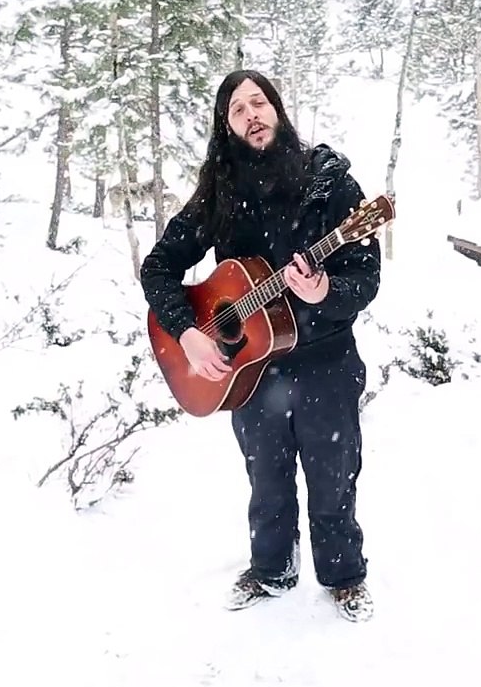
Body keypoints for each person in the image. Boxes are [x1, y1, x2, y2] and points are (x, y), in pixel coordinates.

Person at [139, 70, 381, 623]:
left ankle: (344, 577)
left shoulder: (329, 183)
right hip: (252, 369)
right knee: (266, 480)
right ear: (226, 127)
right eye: (238, 109)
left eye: (259, 102)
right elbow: (158, 267)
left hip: (325, 361)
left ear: (277, 109)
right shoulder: (221, 192)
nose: (251, 115)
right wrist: (188, 331)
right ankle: (272, 569)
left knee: (334, 478)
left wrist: (324, 291)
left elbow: (366, 278)